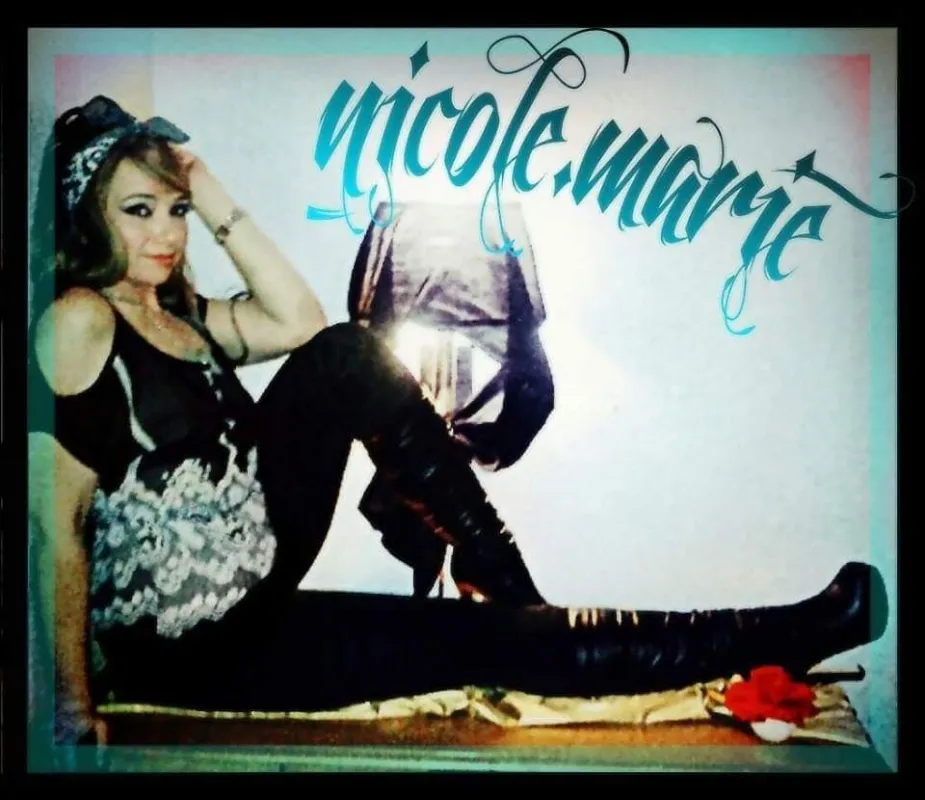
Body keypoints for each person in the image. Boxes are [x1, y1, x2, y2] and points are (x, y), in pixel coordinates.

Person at [27, 95, 888, 747]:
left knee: (344, 352)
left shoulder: (182, 318)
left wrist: (206, 186)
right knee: (479, 638)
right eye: (138, 210)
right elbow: (54, 528)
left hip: (255, 567)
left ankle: (498, 568)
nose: (167, 233)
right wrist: (72, 703)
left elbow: (297, 320)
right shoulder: (79, 320)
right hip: (187, 642)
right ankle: (789, 630)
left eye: (173, 211)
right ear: (89, 216)